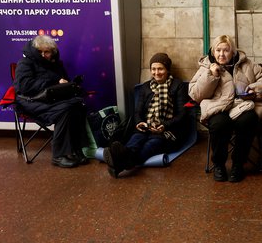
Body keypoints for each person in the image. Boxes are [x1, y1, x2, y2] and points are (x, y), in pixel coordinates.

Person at [189, 35, 262, 183]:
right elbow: (195, 94)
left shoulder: (247, 64)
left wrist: (255, 88)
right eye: (218, 50)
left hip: (242, 105)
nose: (222, 54)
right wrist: (211, 75)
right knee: (220, 124)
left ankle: (238, 164)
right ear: (213, 52)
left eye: (226, 50)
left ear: (233, 52)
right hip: (217, 106)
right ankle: (219, 165)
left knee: (249, 119)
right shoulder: (205, 67)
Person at [103, 53, 189, 178]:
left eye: (160, 69)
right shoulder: (146, 87)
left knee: (151, 144)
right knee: (135, 141)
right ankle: (121, 162)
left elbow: (183, 114)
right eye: (153, 69)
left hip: (167, 130)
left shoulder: (178, 85)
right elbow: (137, 112)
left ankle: (118, 164)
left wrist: (164, 125)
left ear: (167, 70)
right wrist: (140, 123)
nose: (156, 72)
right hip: (146, 127)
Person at [13, 35, 89, 168]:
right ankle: (59, 156)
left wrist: (69, 85)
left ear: (52, 51)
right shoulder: (25, 63)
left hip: (51, 99)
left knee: (77, 105)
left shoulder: (56, 64)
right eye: (40, 52)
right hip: (30, 101)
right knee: (65, 110)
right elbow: (24, 86)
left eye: (46, 52)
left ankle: (76, 150)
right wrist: (53, 81)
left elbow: (62, 82)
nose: (43, 55)